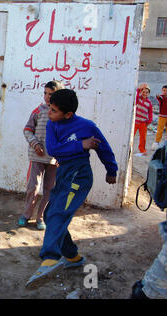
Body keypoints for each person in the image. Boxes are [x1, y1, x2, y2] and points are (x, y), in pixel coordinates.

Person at [25, 89, 118, 288]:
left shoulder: (87, 126)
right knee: (51, 215)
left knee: (59, 212)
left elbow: (104, 148)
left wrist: (111, 169)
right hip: (64, 172)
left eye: (54, 110)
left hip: (79, 174)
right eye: (49, 107)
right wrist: (81, 144)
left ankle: (50, 257)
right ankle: (73, 257)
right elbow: (54, 150)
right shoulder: (52, 124)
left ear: (68, 114)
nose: (49, 112)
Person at [19, 80, 64, 231]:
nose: (46, 97)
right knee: (33, 187)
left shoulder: (62, 115)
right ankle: (26, 215)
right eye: (45, 93)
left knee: (49, 189)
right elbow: (27, 130)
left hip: (54, 159)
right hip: (36, 156)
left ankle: (41, 217)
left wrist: (61, 156)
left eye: (50, 94)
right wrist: (35, 144)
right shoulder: (38, 111)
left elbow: (65, 136)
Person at [134, 83, 153, 156]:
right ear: (141, 92)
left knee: (143, 138)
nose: (145, 93)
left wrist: (149, 120)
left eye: (147, 92)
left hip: (143, 123)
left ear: (148, 94)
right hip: (136, 122)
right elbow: (136, 97)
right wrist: (139, 89)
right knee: (132, 136)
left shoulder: (149, 103)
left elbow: (150, 112)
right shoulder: (138, 99)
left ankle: (142, 150)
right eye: (143, 92)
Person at [152, 85, 167, 150]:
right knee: (160, 129)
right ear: (162, 91)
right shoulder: (161, 97)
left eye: (166, 91)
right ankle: (157, 142)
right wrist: (158, 96)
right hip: (162, 116)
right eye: (164, 90)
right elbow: (159, 98)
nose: (165, 92)